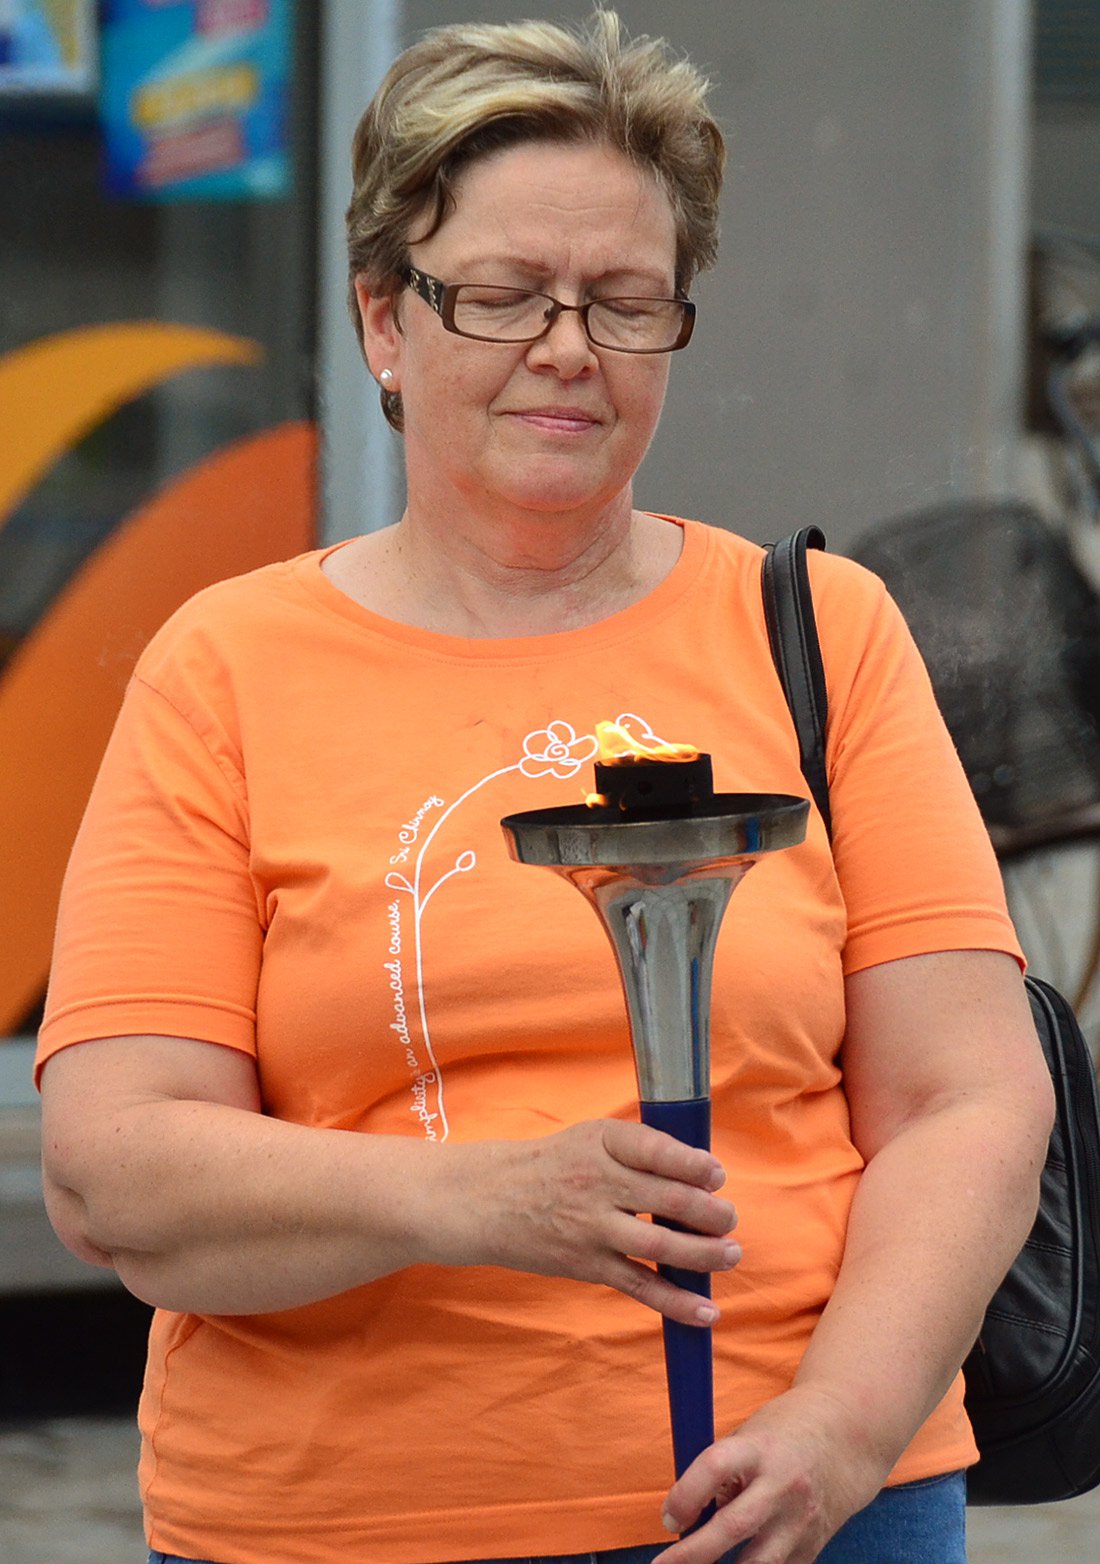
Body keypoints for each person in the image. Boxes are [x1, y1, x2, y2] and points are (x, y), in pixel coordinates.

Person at [36, 11, 1053, 1564]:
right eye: (506, 295)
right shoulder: (226, 668)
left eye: (625, 302)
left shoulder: (819, 634)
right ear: (386, 321)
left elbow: (967, 1100)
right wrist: (488, 1199)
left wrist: (841, 1432)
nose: (569, 348)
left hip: (811, 1511)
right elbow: (116, 1171)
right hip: (335, 1529)